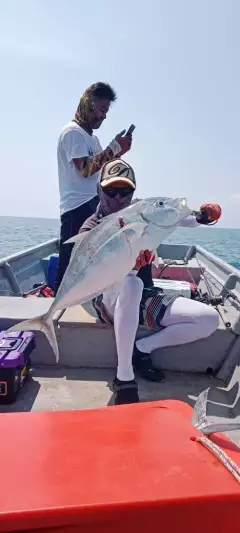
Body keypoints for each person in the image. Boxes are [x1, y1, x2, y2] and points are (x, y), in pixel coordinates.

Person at [79, 159, 221, 405]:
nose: (118, 197)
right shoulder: (91, 228)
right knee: (131, 284)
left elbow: (178, 217)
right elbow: (88, 279)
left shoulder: (143, 213)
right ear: (99, 190)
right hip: (106, 298)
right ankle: (124, 376)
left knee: (208, 319)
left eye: (126, 191)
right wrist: (128, 269)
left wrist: (203, 216)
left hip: (144, 297)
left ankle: (142, 348)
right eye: (111, 191)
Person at [54, 82, 133, 294]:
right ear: (88, 104)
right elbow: (85, 169)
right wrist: (113, 148)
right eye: (101, 109)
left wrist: (118, 152)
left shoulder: (93, 139)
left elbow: (102, 170)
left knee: (93, 264)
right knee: (68, 269)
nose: (104, 116)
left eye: (106, 111)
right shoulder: (72, 132)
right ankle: (55, 316)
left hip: (97, 206)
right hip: (77, 209)